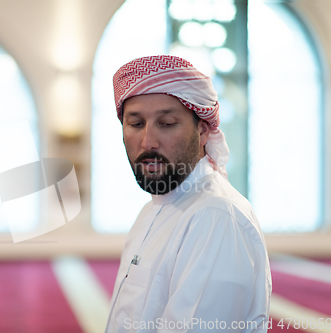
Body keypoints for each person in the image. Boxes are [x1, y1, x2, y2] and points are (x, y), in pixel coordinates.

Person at [105, 55, 272, 333]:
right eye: (135, 124)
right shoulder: (154, 208)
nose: (148, 141)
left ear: (203, 130)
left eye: (167, 123)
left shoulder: (214, 217)